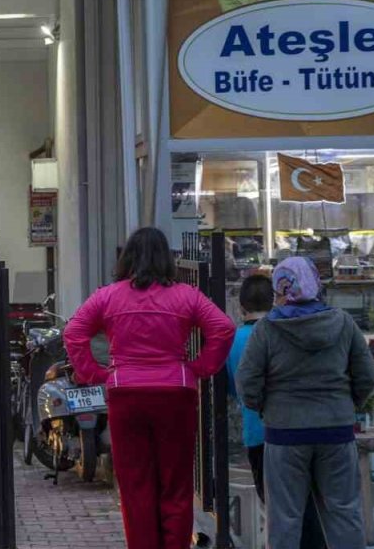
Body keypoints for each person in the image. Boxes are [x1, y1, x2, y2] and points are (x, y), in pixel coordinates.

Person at [62, 227, 234, 549]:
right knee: (177, 484)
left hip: (125, 394)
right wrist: (199, 368)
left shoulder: (107, 296)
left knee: (135, 485)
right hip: (176, 394)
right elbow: (223, 329)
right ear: (167, 258)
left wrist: (93, 373)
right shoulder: (187, 295)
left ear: (127, 257)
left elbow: (74, 332)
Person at [237, 257, 374, 549]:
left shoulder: (267, 329)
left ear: (280, 287)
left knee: (285, 518)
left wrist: (267, 408)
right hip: (336, 431)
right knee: (344, 513)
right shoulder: (343, 323)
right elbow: (367, 376)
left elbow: (247, 382)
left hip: (285, 433)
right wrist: (346, 405)